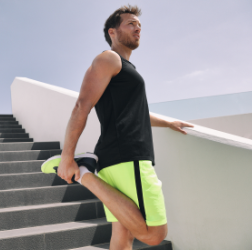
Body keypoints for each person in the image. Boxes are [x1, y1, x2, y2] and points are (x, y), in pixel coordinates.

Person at [44, 5, 194, 249]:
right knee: (154, 234)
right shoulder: (109, 58)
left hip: (117, 156)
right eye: (131, 24)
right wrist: (67, 157)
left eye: (139, 25)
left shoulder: (125, 68)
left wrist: (168, 122)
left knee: (123, 236)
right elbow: (82, 105)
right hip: (128, 155)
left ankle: (86, 171)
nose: (138, 28)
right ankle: (85, 174)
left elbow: (137, 113)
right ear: (112, 32)